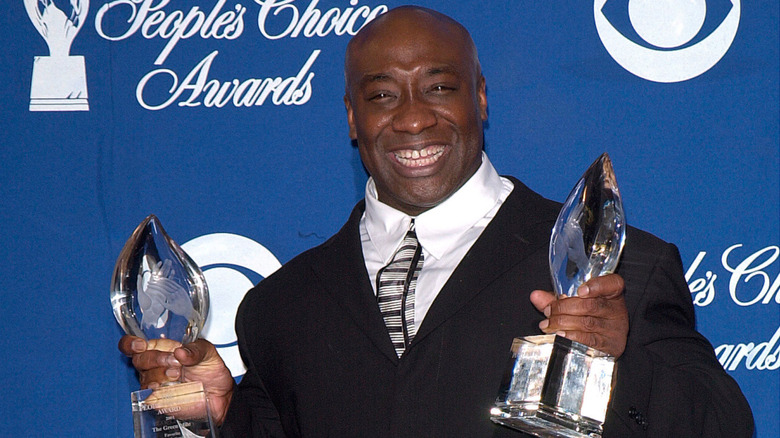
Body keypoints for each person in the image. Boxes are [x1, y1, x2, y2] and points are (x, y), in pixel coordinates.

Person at [120, 6, 754, 437]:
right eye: (382, 95)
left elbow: (724, 427)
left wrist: (616, 365)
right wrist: (220, 411)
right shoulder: (279, 308)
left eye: (439, 88)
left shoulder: (619, 268)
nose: (413, 118)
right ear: (351, 117)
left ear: (478, 96)